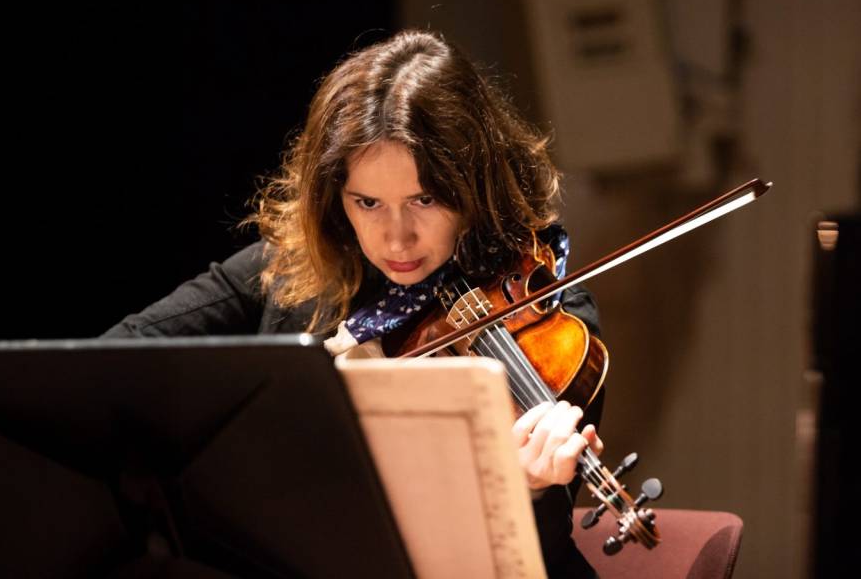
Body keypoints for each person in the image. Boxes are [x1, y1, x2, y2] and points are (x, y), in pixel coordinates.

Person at [106, 29, 605, 577]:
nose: (396, 239)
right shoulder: (298, 267)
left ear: (476, 187)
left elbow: (536, 561)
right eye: (367, 202)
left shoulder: (547, 321)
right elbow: (114, 359)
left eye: (425, 199)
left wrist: (531, 490)